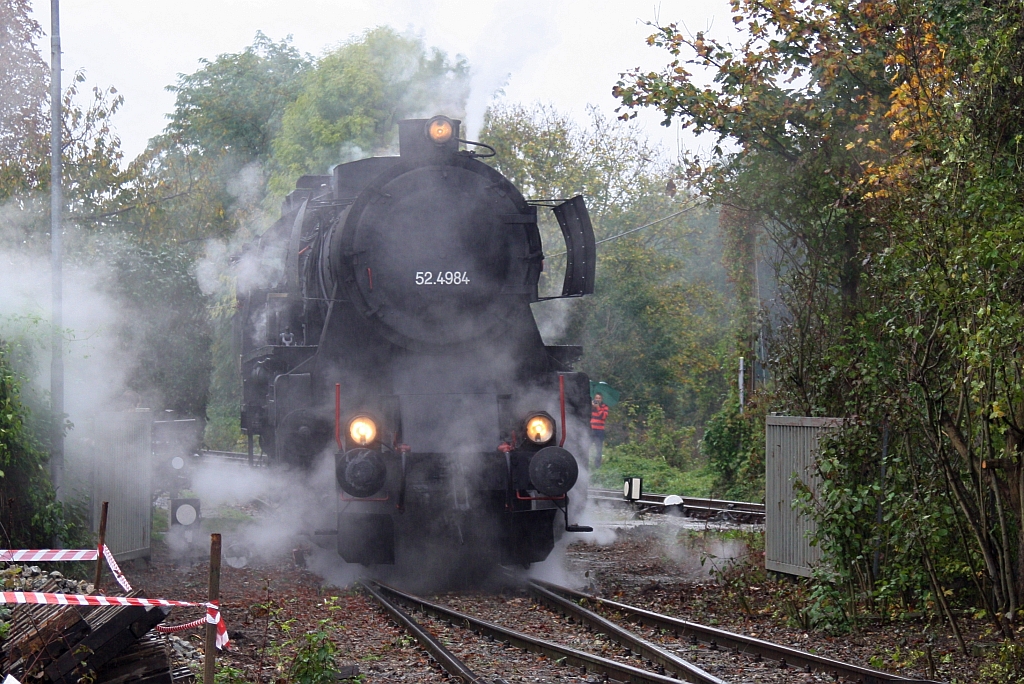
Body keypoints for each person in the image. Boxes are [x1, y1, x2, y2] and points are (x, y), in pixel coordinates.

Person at [590, 393, 609, 469]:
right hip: (591, 430)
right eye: (596, 398)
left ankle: (597, 465)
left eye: (599, 398)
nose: (597, 399)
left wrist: (598, 408)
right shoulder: (591, 407)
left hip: (599, 430)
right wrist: (591, 406)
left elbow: (603, 416)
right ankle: (584, 464)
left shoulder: (605, 407)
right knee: (586, 446)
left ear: (601, 399)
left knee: (599, 448)